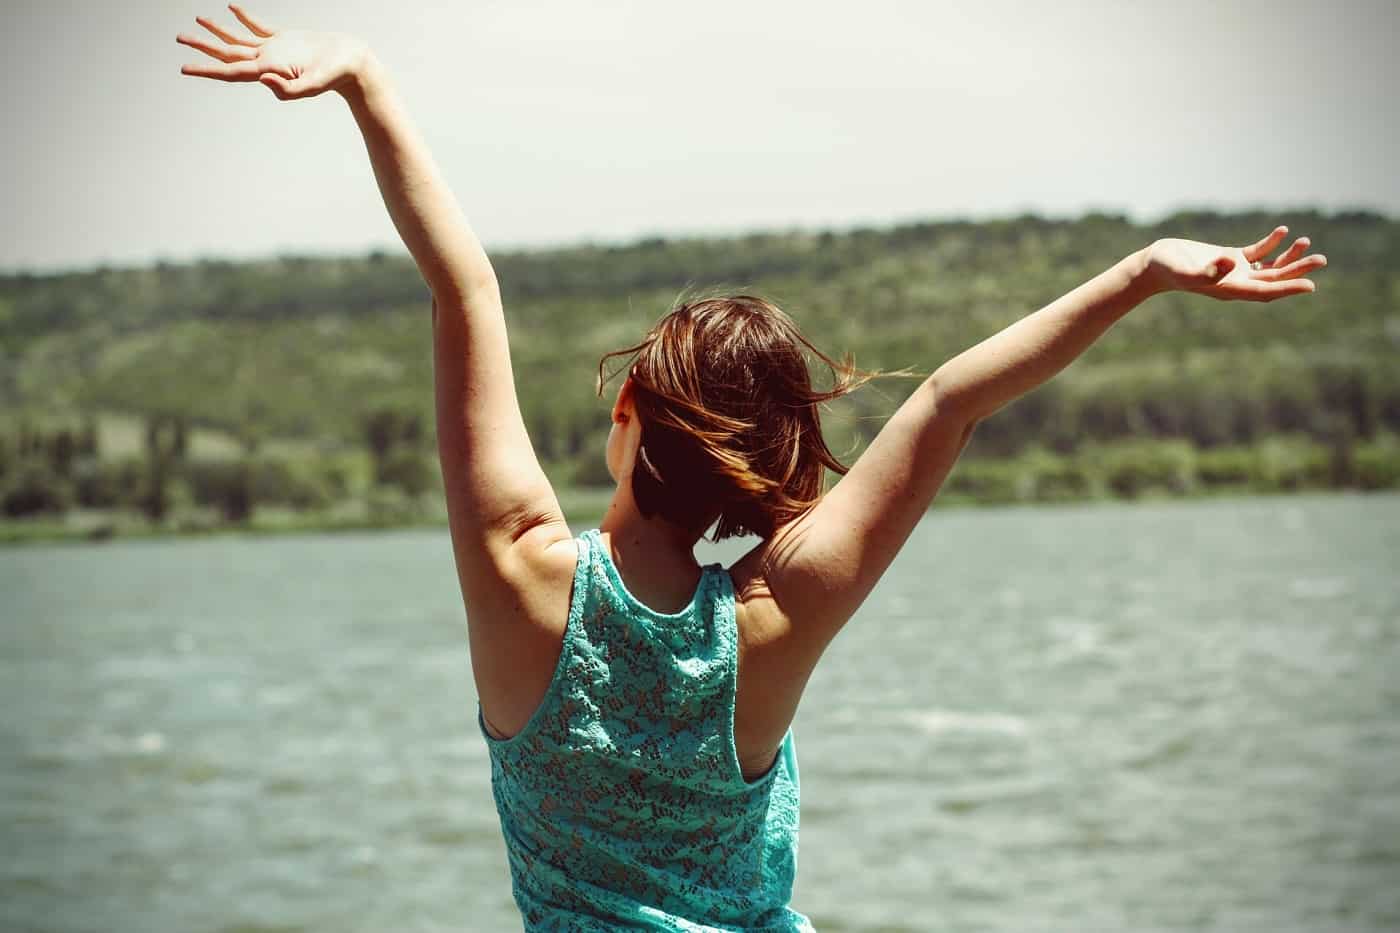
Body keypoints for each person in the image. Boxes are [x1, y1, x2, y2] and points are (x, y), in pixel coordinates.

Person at [177, 7, 1327, 930]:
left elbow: (462, 287)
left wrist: (365, 79)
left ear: (625, 410)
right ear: (775, 468)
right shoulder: (776, 618)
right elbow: (949, 398)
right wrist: (1138, 272)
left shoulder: (521, 579)